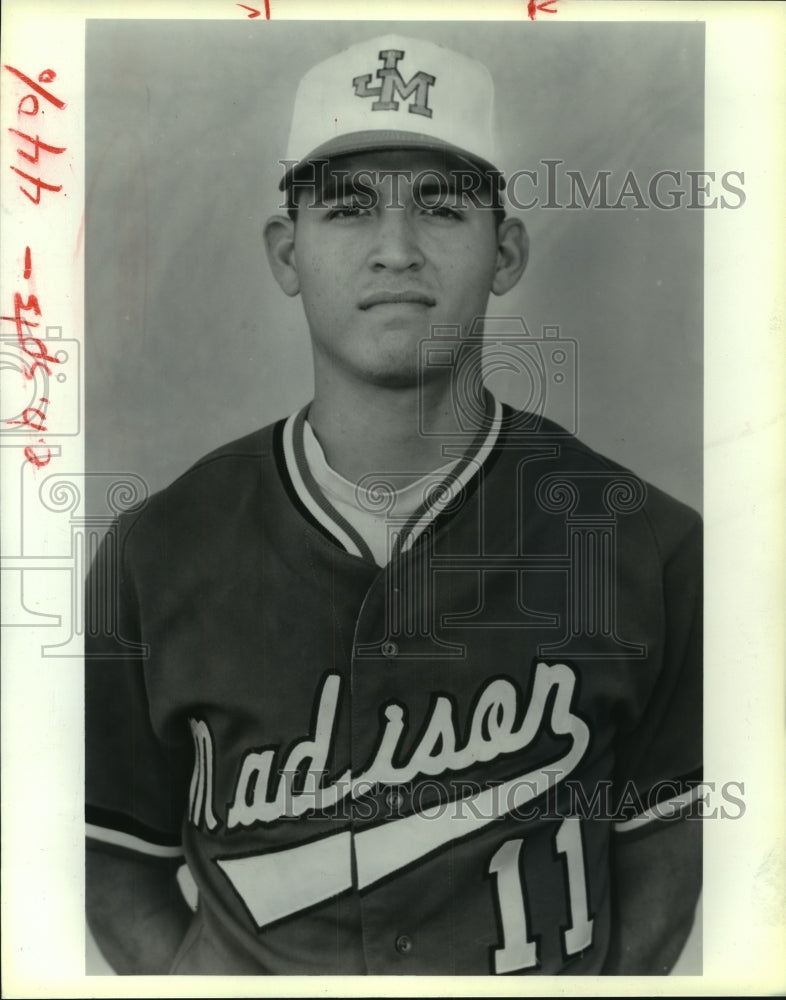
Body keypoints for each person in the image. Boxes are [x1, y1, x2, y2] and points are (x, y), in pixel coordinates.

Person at [85, 33, 702, 975]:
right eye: (349, 208)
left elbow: (670, 854)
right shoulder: (155, 550)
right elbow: (114, 860)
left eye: (444, 207)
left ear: (507, 249)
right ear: (287, 253)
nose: (397, 249)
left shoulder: (647, 544)